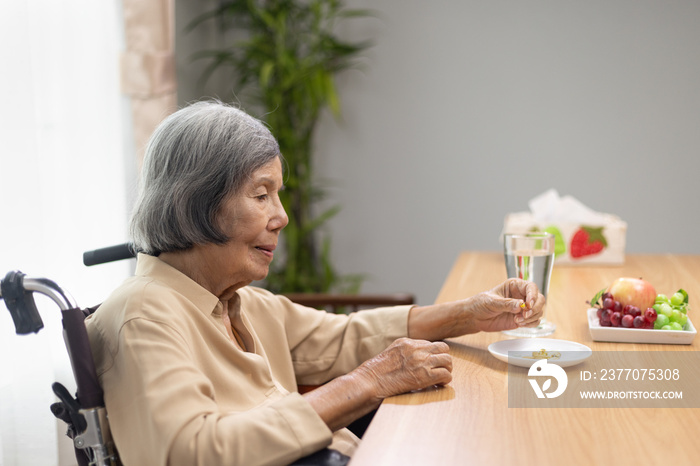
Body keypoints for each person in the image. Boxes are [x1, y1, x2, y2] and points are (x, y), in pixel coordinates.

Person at [85, 100, 545, 466]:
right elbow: (192, 453)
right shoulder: (145, 316)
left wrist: (470, 313)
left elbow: (344, 337)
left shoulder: (238, 302)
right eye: (261, 195)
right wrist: (365, 382)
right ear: (197, 202)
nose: (281, 217)